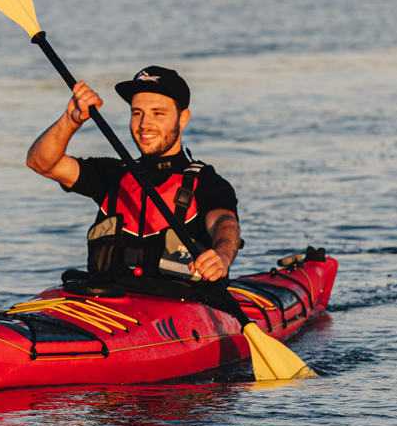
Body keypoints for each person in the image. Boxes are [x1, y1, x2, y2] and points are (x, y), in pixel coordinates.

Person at [25, 66, 241, 289]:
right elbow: (41, 163)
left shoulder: (207, 183)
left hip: (182, 299)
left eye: (158, 113)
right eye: (137, 113)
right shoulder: (113, 174)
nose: (144, 124)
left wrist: (222, 256)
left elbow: (225, 224)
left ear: (183, 118)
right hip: (109, 299)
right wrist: (71, 121)